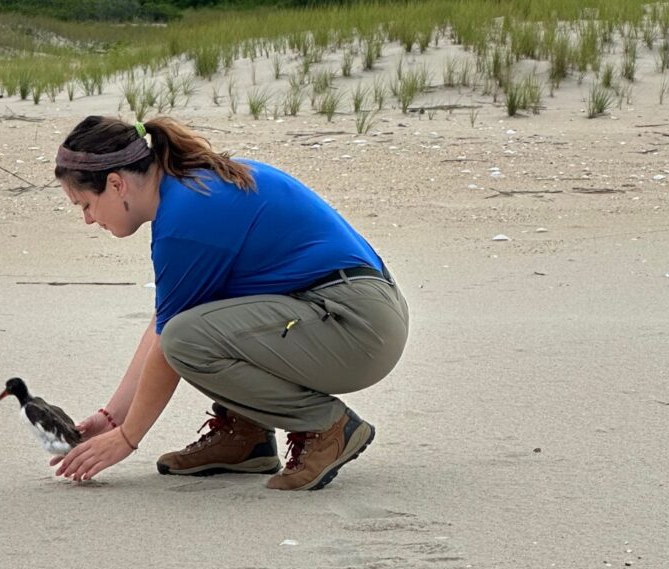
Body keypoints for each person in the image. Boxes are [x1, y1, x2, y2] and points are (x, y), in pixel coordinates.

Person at [52, 115, 409, 491]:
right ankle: (246, 436)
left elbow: (168, 345)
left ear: (116, 183)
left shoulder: (186, 216)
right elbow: (162, 322)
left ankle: (326, 425)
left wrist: (125, 439)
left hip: (356, 326)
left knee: (186, 338)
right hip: (358, 314)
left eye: (85, 205)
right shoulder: (189, 187)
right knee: (189, 323)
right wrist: (111, 419)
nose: (89, 220)